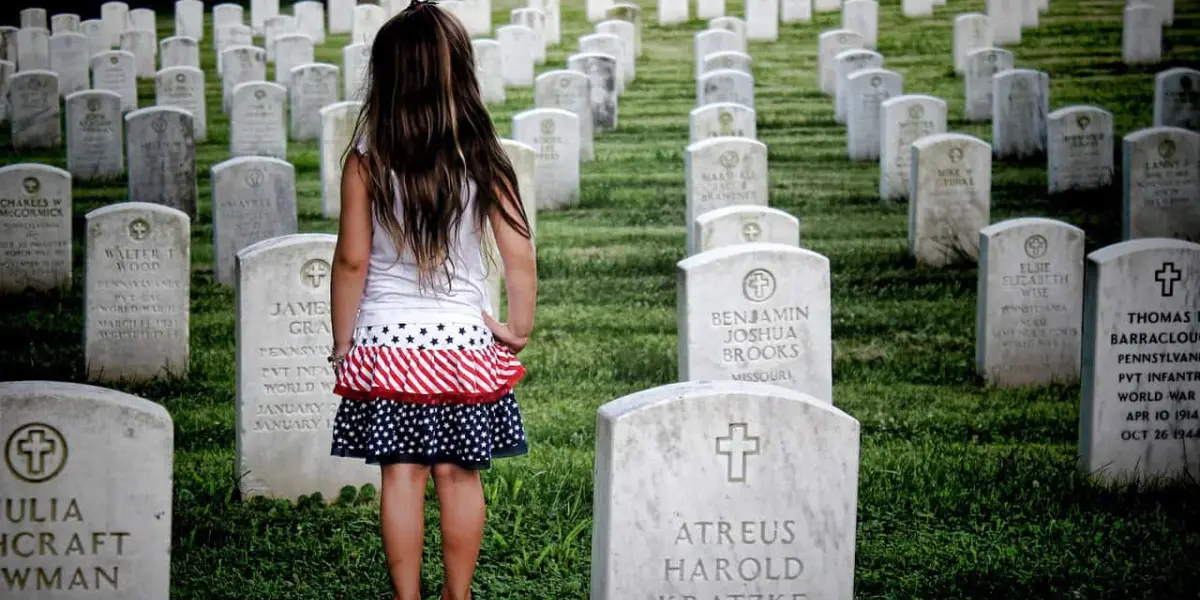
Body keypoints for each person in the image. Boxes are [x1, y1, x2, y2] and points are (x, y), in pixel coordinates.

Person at [325, 2, 537, 599]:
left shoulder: (366, 160)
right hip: (465, 346)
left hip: (389, 344)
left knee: (402, 473)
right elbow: (519, 254)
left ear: (386, 77)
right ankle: (459, 594)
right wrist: (518, 326)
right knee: (458, 472)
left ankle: (407, 597)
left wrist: (344, 342)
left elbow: (352, 260)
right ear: (460, 73)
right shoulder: (484, 158)